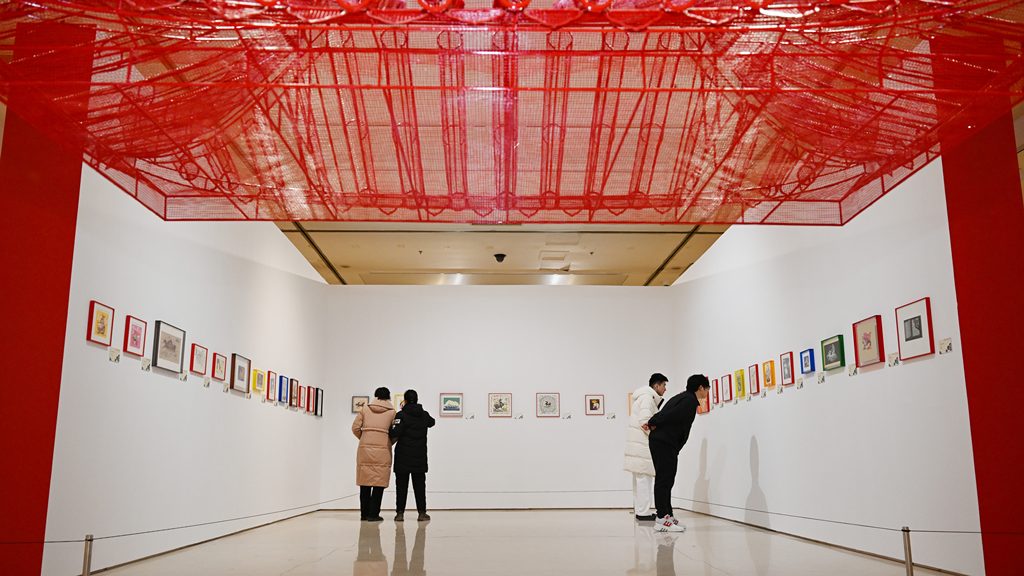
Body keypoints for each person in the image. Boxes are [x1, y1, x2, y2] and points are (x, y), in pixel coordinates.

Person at [645, 374, 711, 533]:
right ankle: (662, 519)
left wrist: (654, 422)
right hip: (664, 443)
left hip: (664, 443)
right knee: (664, 480)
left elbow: (668, 414)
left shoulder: (683, 397)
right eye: (707, 388)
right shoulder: (688, 401)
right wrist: (652, 422)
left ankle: (667, 515)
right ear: (700, 387)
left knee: (667, 479)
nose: (708, 391)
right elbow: (669, 415)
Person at [624, 373, 667, 522]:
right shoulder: (648, 398)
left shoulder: (642, 397)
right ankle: (643, 512)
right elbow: (645, 422)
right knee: (644, 480)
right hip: (642, 446)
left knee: (639, 480)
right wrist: (658, 435)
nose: (665, 389)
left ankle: (640, 510)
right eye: (664, 385)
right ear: (656, 385)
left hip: (637, 446)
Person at [389, 389, 436, 521]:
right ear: (417, 399)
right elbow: (432, 422)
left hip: (402, 457)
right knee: (420, 487)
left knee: (401, 487)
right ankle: (422, 513)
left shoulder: (401, 415)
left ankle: (400, 514)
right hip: (419, 457)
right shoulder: (424, 414)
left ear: (405, 400)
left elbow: (394, 433)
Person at [352, 387, 397, 521]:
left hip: (364, 450)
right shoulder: (392, 412)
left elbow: (355, 428)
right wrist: (388, 442)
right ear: (388, 397)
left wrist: (364, 438)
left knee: (364, 483)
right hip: (383, 450)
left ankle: (364, 514)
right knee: (379, 483)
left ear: (376, 395)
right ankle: (373, 514)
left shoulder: (365, 409)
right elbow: (395, 433)